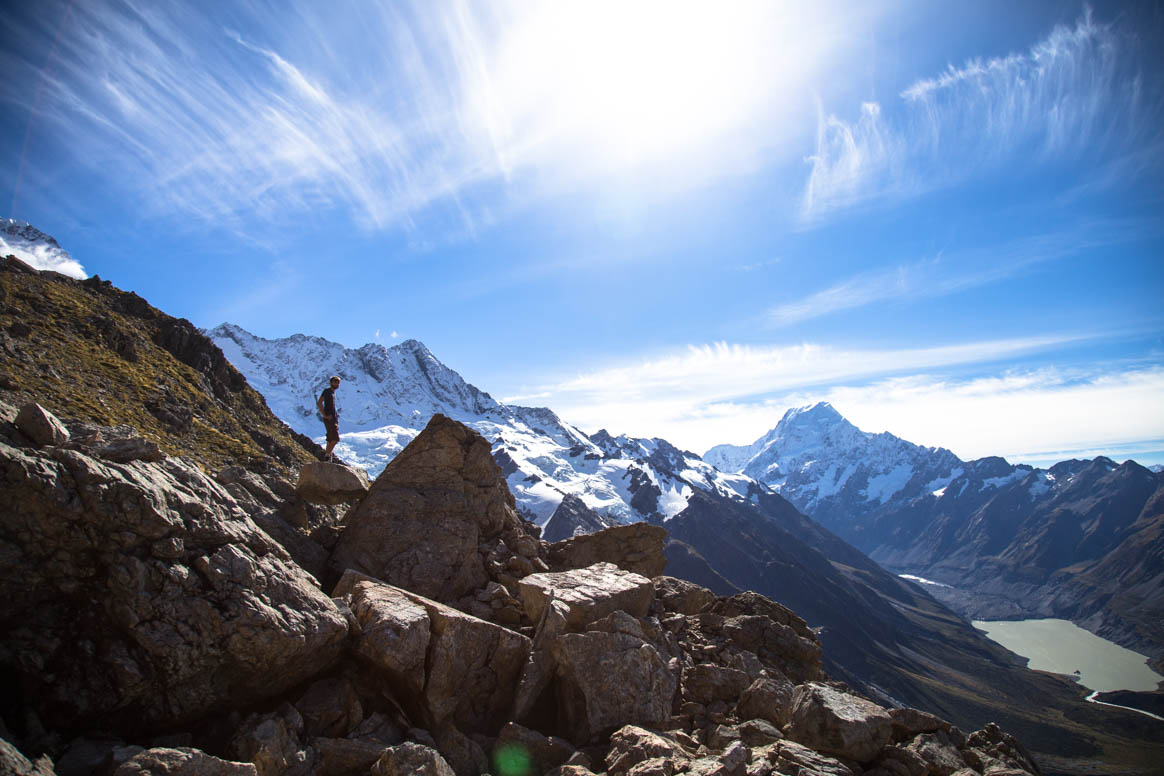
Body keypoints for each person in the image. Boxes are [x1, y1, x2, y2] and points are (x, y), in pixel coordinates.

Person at [316, 375, 341, 461]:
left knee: (330, 439)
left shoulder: (333, 393)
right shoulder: (327, 391)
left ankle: (328, 458)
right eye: (335, 382)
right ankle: (327, 455)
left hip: (333, 418)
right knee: (335, 439)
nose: (336, 384)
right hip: (329, 419)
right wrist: (325, 415)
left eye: (338, 383)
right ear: (331, 382)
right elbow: (319, 403)